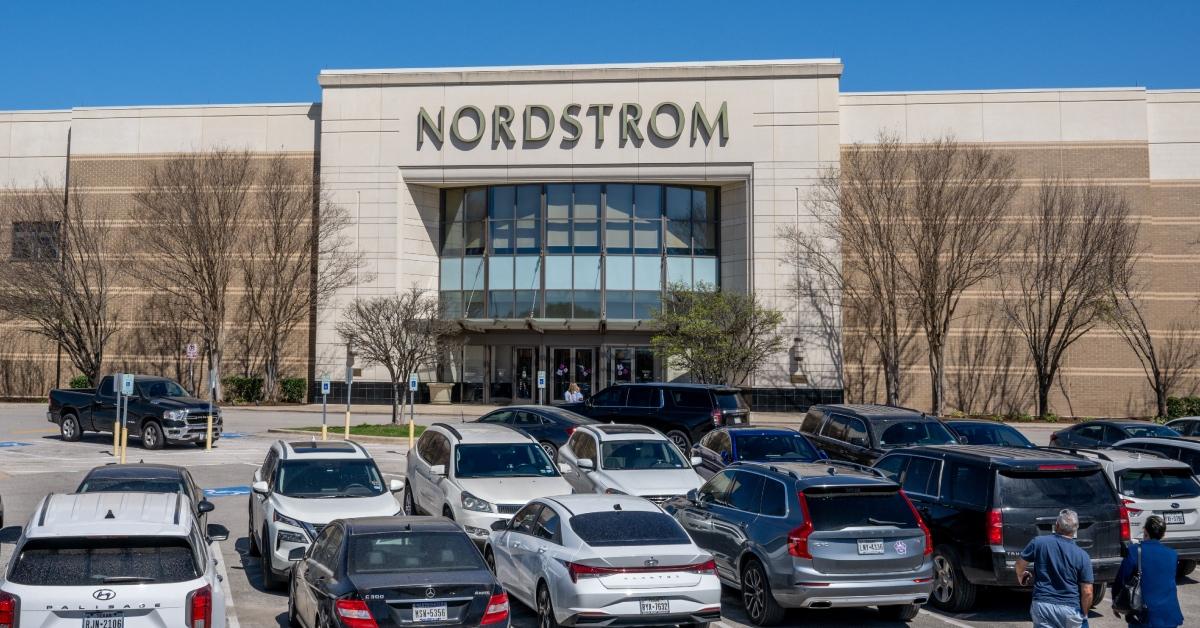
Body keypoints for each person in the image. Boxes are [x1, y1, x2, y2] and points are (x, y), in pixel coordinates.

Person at [1014, 509, 1093, 628]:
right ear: (1075, 529)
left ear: (1056, 525)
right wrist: (1085, 614)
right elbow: (1087, 592)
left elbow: (1020, 564)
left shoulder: (1039, 543)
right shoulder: (1083, 556)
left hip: (1042, 606)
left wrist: (1021, 576)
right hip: (1070, 609)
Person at [1113, 515, 1184, 628]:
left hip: (1144, 615)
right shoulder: (1172, 554)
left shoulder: (1134, 551)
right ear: (1163, 534)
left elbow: (1121, 579)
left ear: (1145, 531)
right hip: (1169, 615)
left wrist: (1116, 602)